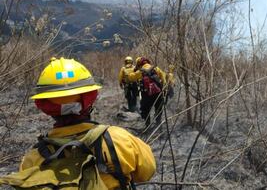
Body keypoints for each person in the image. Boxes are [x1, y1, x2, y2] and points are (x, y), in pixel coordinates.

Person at [0, 57, 156, 189]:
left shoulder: (32, 159)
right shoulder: (119, 139)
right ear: (91, 99)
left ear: (45, 106)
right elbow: (147, 172)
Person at [129, 57, 166, 128]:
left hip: (146, 95)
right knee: (158, 109)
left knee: (145, 110)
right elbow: (163, 77)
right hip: (158, 93)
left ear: (139, 64)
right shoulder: (156, 68)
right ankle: (158, 124)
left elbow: (130, 77)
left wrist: (134, 70)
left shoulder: (140, 71)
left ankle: (148, 125)